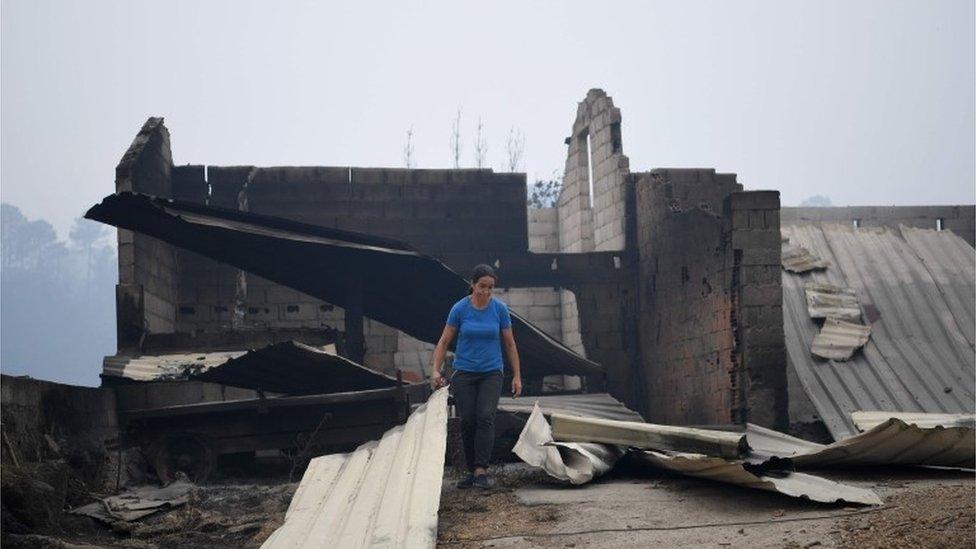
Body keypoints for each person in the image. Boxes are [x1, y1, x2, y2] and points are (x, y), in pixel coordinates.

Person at [431, 264, 522, 489]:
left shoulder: (499, 309)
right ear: (472, 285)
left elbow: (509, 344)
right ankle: (472, 471)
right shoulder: (460, 309)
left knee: (485, 416)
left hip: (492, 371)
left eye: (491, 287)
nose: (486, 291)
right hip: (464, 372)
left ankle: (481, 469)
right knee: (468, 420)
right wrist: (435, 369)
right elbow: (443, 342)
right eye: (482, 286)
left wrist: (517, 375)